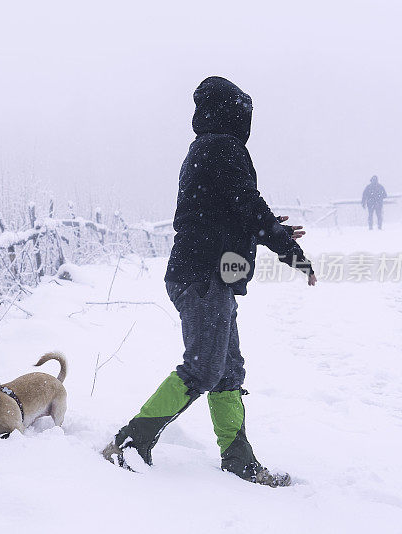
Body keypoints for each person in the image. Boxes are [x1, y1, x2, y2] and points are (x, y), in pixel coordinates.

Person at [101, 76, 317, 487]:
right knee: (204, 367)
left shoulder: (208, 149)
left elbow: (226, 214)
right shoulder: (222, 147)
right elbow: (247, 205)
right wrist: (287, 249)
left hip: (207, 275)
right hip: (202, 275)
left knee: (227, 368)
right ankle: (129, 442)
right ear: (232, 113)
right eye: (243, 112)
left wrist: (268, 233)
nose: (246, 120)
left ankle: (237, 459)